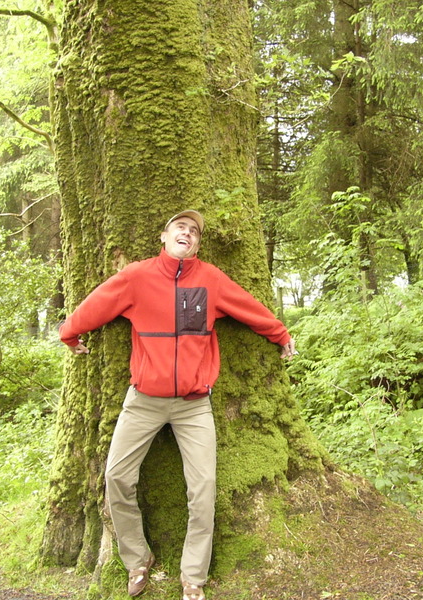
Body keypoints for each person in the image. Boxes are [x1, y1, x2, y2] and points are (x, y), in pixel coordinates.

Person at [59, 210, 295, 600]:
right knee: (116, 478)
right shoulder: (137, 276)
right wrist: (70, 332)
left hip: (194, 405)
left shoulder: (211, 279)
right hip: (143, 402)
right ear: (164, 236)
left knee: (203, 490)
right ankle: (137, 561)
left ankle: (193, 577)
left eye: (194, 232)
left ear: (197, 244)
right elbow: (98, 304)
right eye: (180, 228)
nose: (187, 233)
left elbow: (249, 308)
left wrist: (280, 334)